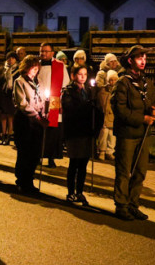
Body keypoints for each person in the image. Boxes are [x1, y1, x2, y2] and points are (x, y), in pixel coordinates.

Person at [112, 45, 155, 221]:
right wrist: (142, 119)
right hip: (127, 134)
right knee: (124, 172)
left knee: (140, 172)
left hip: (144, 134)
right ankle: (121, 205)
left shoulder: (147, 82)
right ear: (130, 60)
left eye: (145, 58)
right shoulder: (122, 82)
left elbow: (151, 102)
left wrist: (154, 111)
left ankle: (133, 204)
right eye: (140, 58)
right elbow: (120, 110)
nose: (143, 61)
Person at [61, 64, 101, 205]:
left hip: (86, 131)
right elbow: (70, 109)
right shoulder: (68, 92)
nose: (83, 77)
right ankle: (70, 192)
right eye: (80, 74)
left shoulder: (89, 91)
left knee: (83, 163)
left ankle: (80, 191)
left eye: (85, 74)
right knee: (74, 162)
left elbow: (95, 109)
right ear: (73, 76)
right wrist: (86, 106)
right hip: (74, 131)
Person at [13, 55, 46, 194]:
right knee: (24, 151)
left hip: (37, 120)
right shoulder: (19, 81)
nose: (35, 70)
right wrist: (36, 115)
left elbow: (43, 98)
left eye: (36, 68)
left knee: (35, 152)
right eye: (32, 68)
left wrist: (44, 112)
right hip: (25, 120)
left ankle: (30, 179)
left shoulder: (38, 82)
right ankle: (21, 180)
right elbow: (22, 103)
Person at [37, 42, 69, 167]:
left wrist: (60, 98)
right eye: (41, 51)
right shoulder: (36, 65)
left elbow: (65, 84)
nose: (43, 53)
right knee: (39, 131)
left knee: (53, 132)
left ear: (52, 53)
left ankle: (51, 157)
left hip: (55, 101)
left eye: (45, 51)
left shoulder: (60, 65)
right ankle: (38, 156)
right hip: (39, 102)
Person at [96, 70, 118, 159]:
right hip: (105, 116)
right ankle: (102, 151)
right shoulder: (103, 91)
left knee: (112, 135)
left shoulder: (118, 90)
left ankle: (110, 151)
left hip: (113, 116)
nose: (112, 82)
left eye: (114, 80)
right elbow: (102, 104)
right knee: (104, 133)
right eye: (111, 80)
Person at [0, 51, 19, 145]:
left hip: (12, 94)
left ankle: (9, 137)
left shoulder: (17, 69)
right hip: (4, 94)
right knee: (3, 116)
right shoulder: (2, 69)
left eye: (13, 58)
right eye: (9, 58)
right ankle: (3, 136)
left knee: (10, 116)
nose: (10, 60)